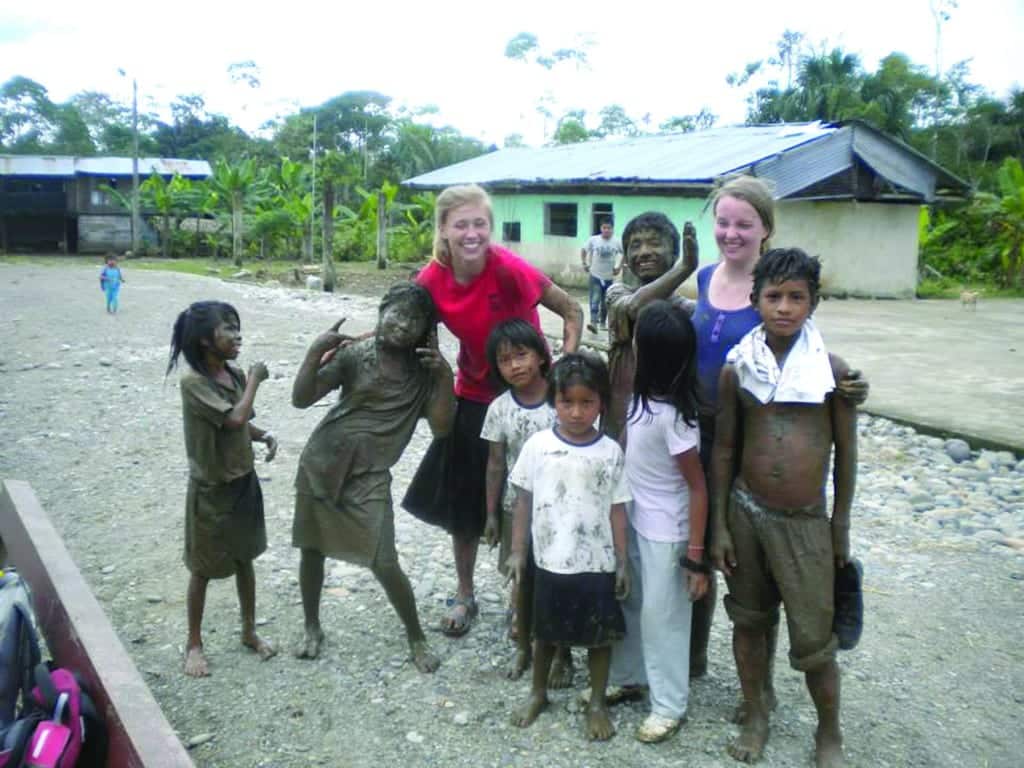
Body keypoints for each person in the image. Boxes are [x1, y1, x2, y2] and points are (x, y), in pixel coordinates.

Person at [690, 175, 869, 699]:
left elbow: (835, 418)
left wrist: (853, 385)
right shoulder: (703, 282)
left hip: (772, 471)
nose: (731, 232)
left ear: (765, 228)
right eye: (722, 221)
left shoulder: (804, 337)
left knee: (801, 613)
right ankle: (701, 667)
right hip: (707, 436)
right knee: (707, 561)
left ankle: (807, 714)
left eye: (744, 223)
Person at [402, 183, 583, 642]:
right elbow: (406, 331)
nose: (471, 233)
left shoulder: (508, 270)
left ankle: (524, 599)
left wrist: (565, 364)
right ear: (443, 229)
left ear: (490, 227)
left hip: (533, 397)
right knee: (465, 503)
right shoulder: (430, 281)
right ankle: (464, 593)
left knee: (537, 501)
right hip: (476, 396)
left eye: (479, 223)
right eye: (460, 224)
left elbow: (571, 309)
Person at [711, 248, 857, 768]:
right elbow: (725, 449)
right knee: (749, 619)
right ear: (755, 302)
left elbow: (845, 456)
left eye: (797, 297)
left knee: (816, 637)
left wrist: (839, 526)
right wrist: (719, 527)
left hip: (805, 522)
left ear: (814, 303)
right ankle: (756, 711)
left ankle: (829, 732)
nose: (785, 308)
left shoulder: (831, 375)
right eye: (774, 297)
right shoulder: (739, 370)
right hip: (746, 512)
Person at [290, 284, 455, 673]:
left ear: (426, 332)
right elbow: (301, 398)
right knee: (311, 548)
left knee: (384, 561)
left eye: (414, 320)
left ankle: (415, 635)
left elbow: (442, 429)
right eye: (396, 314)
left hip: (370, 475)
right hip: (322, 463)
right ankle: (312, 625)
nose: (402, 325)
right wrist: (315, 352)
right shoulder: (354, 356)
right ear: (381, 312)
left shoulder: (425, 375)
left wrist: (445, 376)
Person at [506, 353, 631, 741]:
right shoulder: (539, 446)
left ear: (601, 404)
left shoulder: (610, 451)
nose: (577, 412)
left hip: (597, 562)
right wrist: (517, 552)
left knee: (599, 636)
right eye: (567, 402)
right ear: (553, 402)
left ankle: (596, 701)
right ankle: (538, 692)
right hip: (550, 560)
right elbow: (522, 502)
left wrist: (623, 561)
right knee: (544, 633)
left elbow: (617, 509)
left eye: (587, 403)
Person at [608, 300, 709, 743]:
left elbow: (698, 488)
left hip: (668, 531)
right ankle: (630, 675)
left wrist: (695, 555)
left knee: (662, 616)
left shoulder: (678, 420)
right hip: (633, 515)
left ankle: (670, 704)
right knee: (631, 599)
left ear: (648, 355)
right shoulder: (640, 399)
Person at [166, 300, 279, 678]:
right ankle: (193, 643)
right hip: (212, 490)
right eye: (228, 328)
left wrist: (264, 437)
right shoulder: (194, 383)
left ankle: (248, 631)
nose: (237, 335)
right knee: (202, 568)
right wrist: (257, 381)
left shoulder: (231, 375)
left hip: (242, 482)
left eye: (237, 327)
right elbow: (233, 418)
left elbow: (243, 423)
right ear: (203, 340)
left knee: (245, 558)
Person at [480, 319, 556, 680]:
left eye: (522, 355)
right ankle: (523, 635)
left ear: (541, 355)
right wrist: (492, 514)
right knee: (521, 574)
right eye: (505, 360)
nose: (515, 366)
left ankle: (559, 647)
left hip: (560, 511)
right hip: (516, 508)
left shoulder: (564, 400)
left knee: (557, 576)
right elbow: (495, 464)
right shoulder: (499, 408)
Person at [605, 213, 698, 441]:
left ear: (674, 253)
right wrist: (686, 267)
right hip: (620, 420)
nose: (644, 252)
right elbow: (636, 308)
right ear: (626, 257)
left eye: (654, 243)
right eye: (635, 246)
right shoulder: (616, 294)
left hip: (668, 428)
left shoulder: (686, 310)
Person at [580, 217, 623, 334]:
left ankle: (603, 323)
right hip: (595, 276)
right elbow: (584, 250)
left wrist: (619, 267)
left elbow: (624, 254)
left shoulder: (617, 242)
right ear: (601, 228)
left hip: (609, 277)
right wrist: (584, 263)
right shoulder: (594, 240)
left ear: (612, 229)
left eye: (609, 228)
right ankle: (593, 323)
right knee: (595, 299)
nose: (606, 230)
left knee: (605, 302)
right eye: (604, 228)